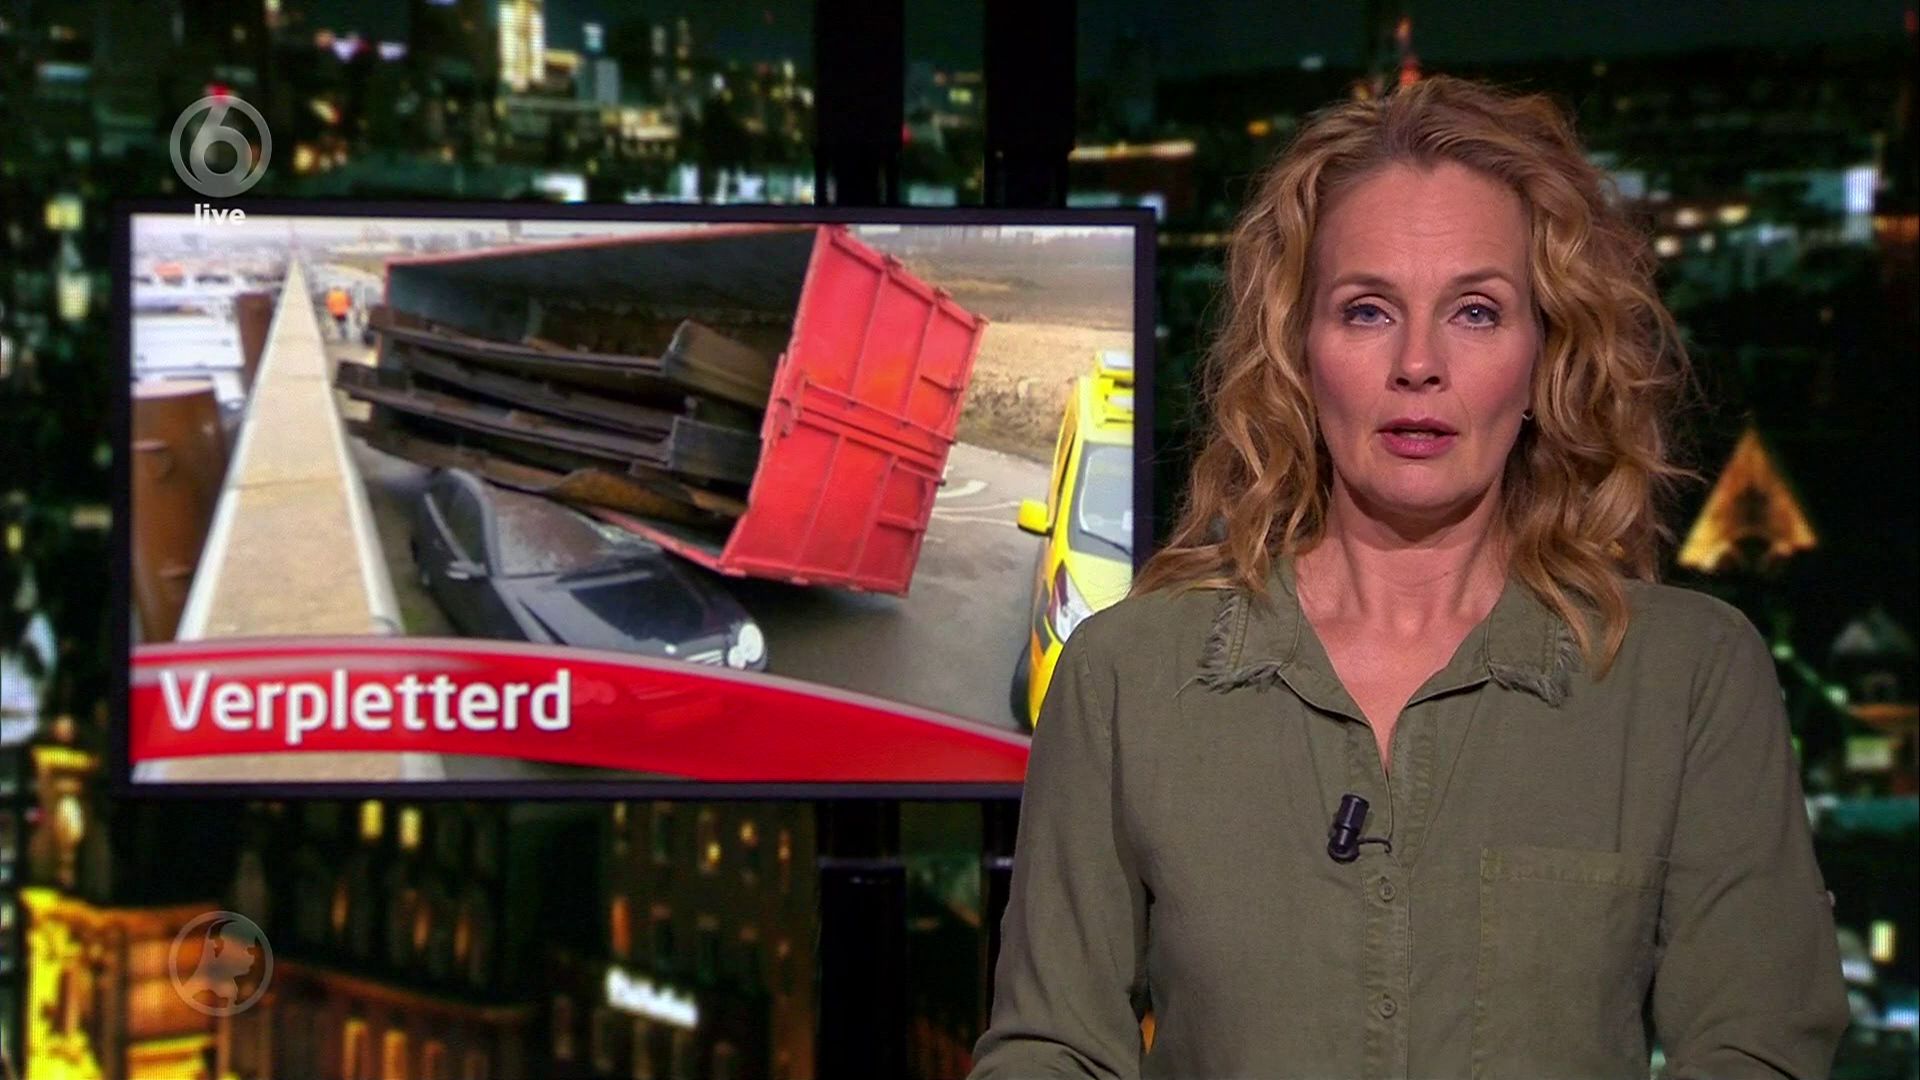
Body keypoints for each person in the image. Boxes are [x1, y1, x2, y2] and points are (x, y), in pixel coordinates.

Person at [968, 76, 1848, 1079]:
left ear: (1546, 354)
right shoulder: (1127, 677)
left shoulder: (1687, 679)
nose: (1418, 364)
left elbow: (1758, 1048)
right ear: (1299, 353)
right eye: (1367, 311)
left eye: (1475, 311)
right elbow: (1052, 1048)